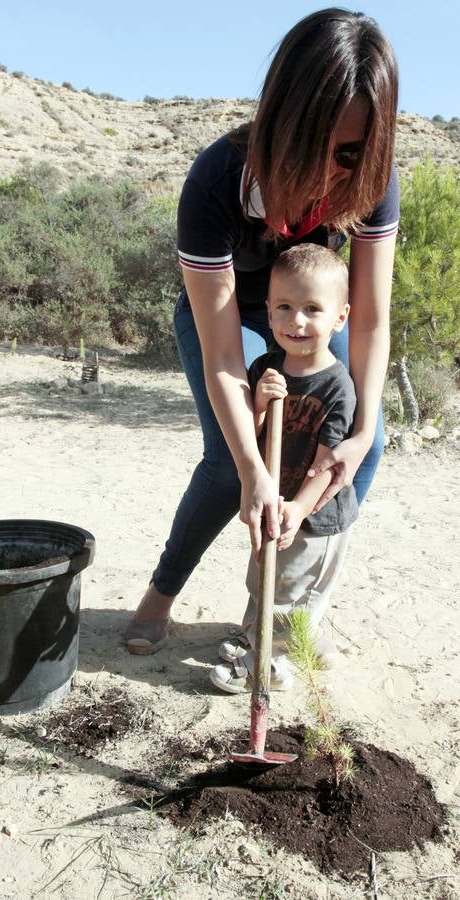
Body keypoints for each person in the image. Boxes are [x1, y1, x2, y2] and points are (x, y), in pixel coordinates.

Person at [125, 8, 399, 654]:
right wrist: (254, 469)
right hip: (227, 319)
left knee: (369, 443)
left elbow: (370, 318)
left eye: (352, 152)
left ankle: (286, 614)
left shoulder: (371, 181)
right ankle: (161, 593)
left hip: (309, 316)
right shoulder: (216, 180)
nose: (333, 171)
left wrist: (359, 434)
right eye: (317, 148)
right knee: (231, 457)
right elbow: (223, 352)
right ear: (280, 122)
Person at [210, 244, 357, 692]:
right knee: (263, 575)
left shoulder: (338, 386)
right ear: (269, 313)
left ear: (340, 317)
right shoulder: (266, 366)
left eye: (313, 309)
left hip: (316, 518)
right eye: (285, 308)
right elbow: (250, 438)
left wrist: (299, 509)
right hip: (276, 501)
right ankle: (256, 636)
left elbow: (327, 466)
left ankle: (271, 666)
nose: (297, 322)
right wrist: (257, 404)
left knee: (292, 593)